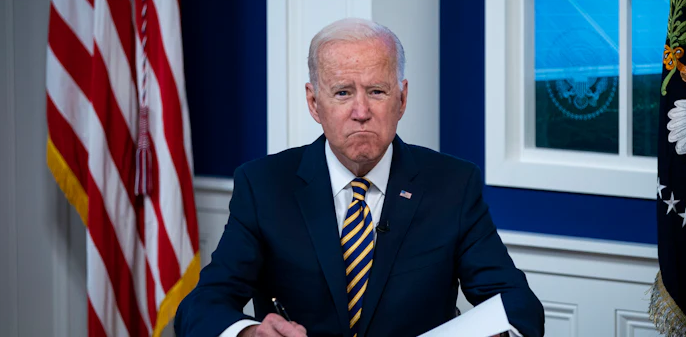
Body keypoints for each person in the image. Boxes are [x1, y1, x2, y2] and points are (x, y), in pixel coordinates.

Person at [174, 18, 544, 337]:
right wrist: (250, 332)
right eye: (342, 93)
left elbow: (518, 305)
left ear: (401, 98)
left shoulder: (453, 185)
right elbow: (201, 306)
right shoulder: (264, 185)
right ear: (314, 102)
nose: (361, 111)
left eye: (377, 91)